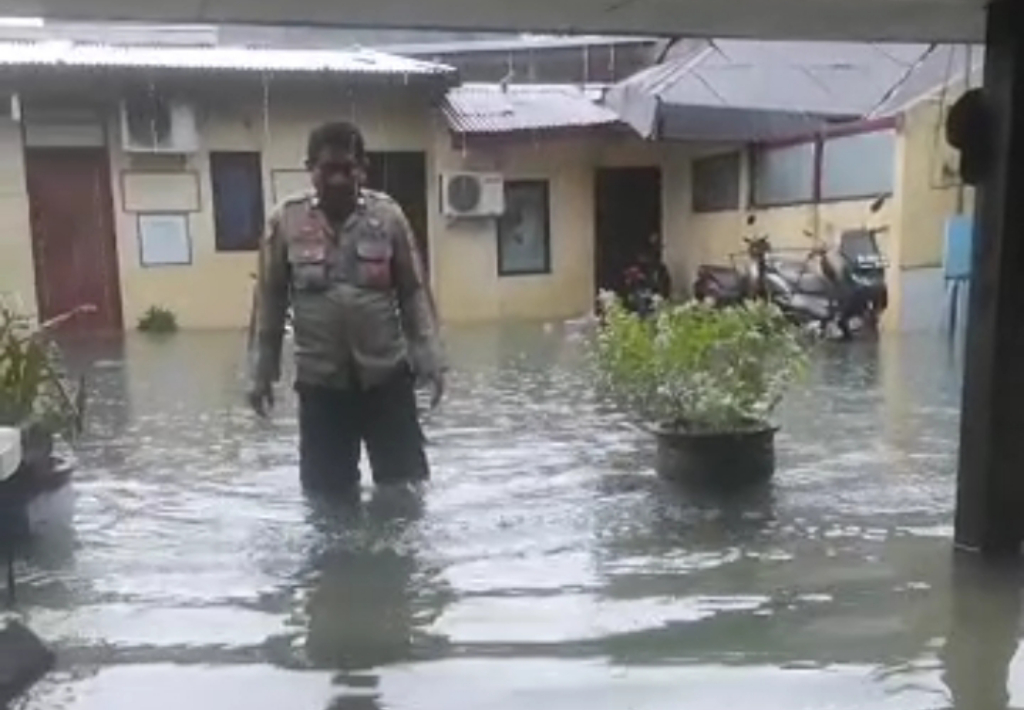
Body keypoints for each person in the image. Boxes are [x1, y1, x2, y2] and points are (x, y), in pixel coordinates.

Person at [248, 121, 444, 494]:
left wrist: (430, 359)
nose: (338, 179)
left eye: (347, 168)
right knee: (327, 500)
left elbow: (413, 291)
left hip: (386, 381)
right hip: (322, 387)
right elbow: (269, 301)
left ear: (362, 169)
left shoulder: (388, 217)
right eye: (327, 169)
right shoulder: (285, 221)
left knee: (405, 491)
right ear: (310, 169)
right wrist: (261, 373)